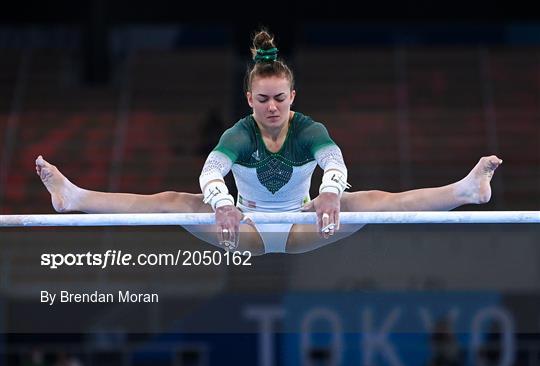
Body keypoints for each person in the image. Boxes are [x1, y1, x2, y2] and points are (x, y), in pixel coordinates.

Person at [35, 29, 502, 256]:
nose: (272, 107)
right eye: (263, 99)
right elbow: (210, 172)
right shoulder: (239, 134)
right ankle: (73, 197)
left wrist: (330, 193)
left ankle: (464, 191)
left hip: (304, 225)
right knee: (173, 200)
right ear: (249, 99)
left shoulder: (308, 131)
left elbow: (334, 160)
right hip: (245, 228)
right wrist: (221, 205)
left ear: (292, 96)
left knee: (376, 200)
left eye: (280, 97)